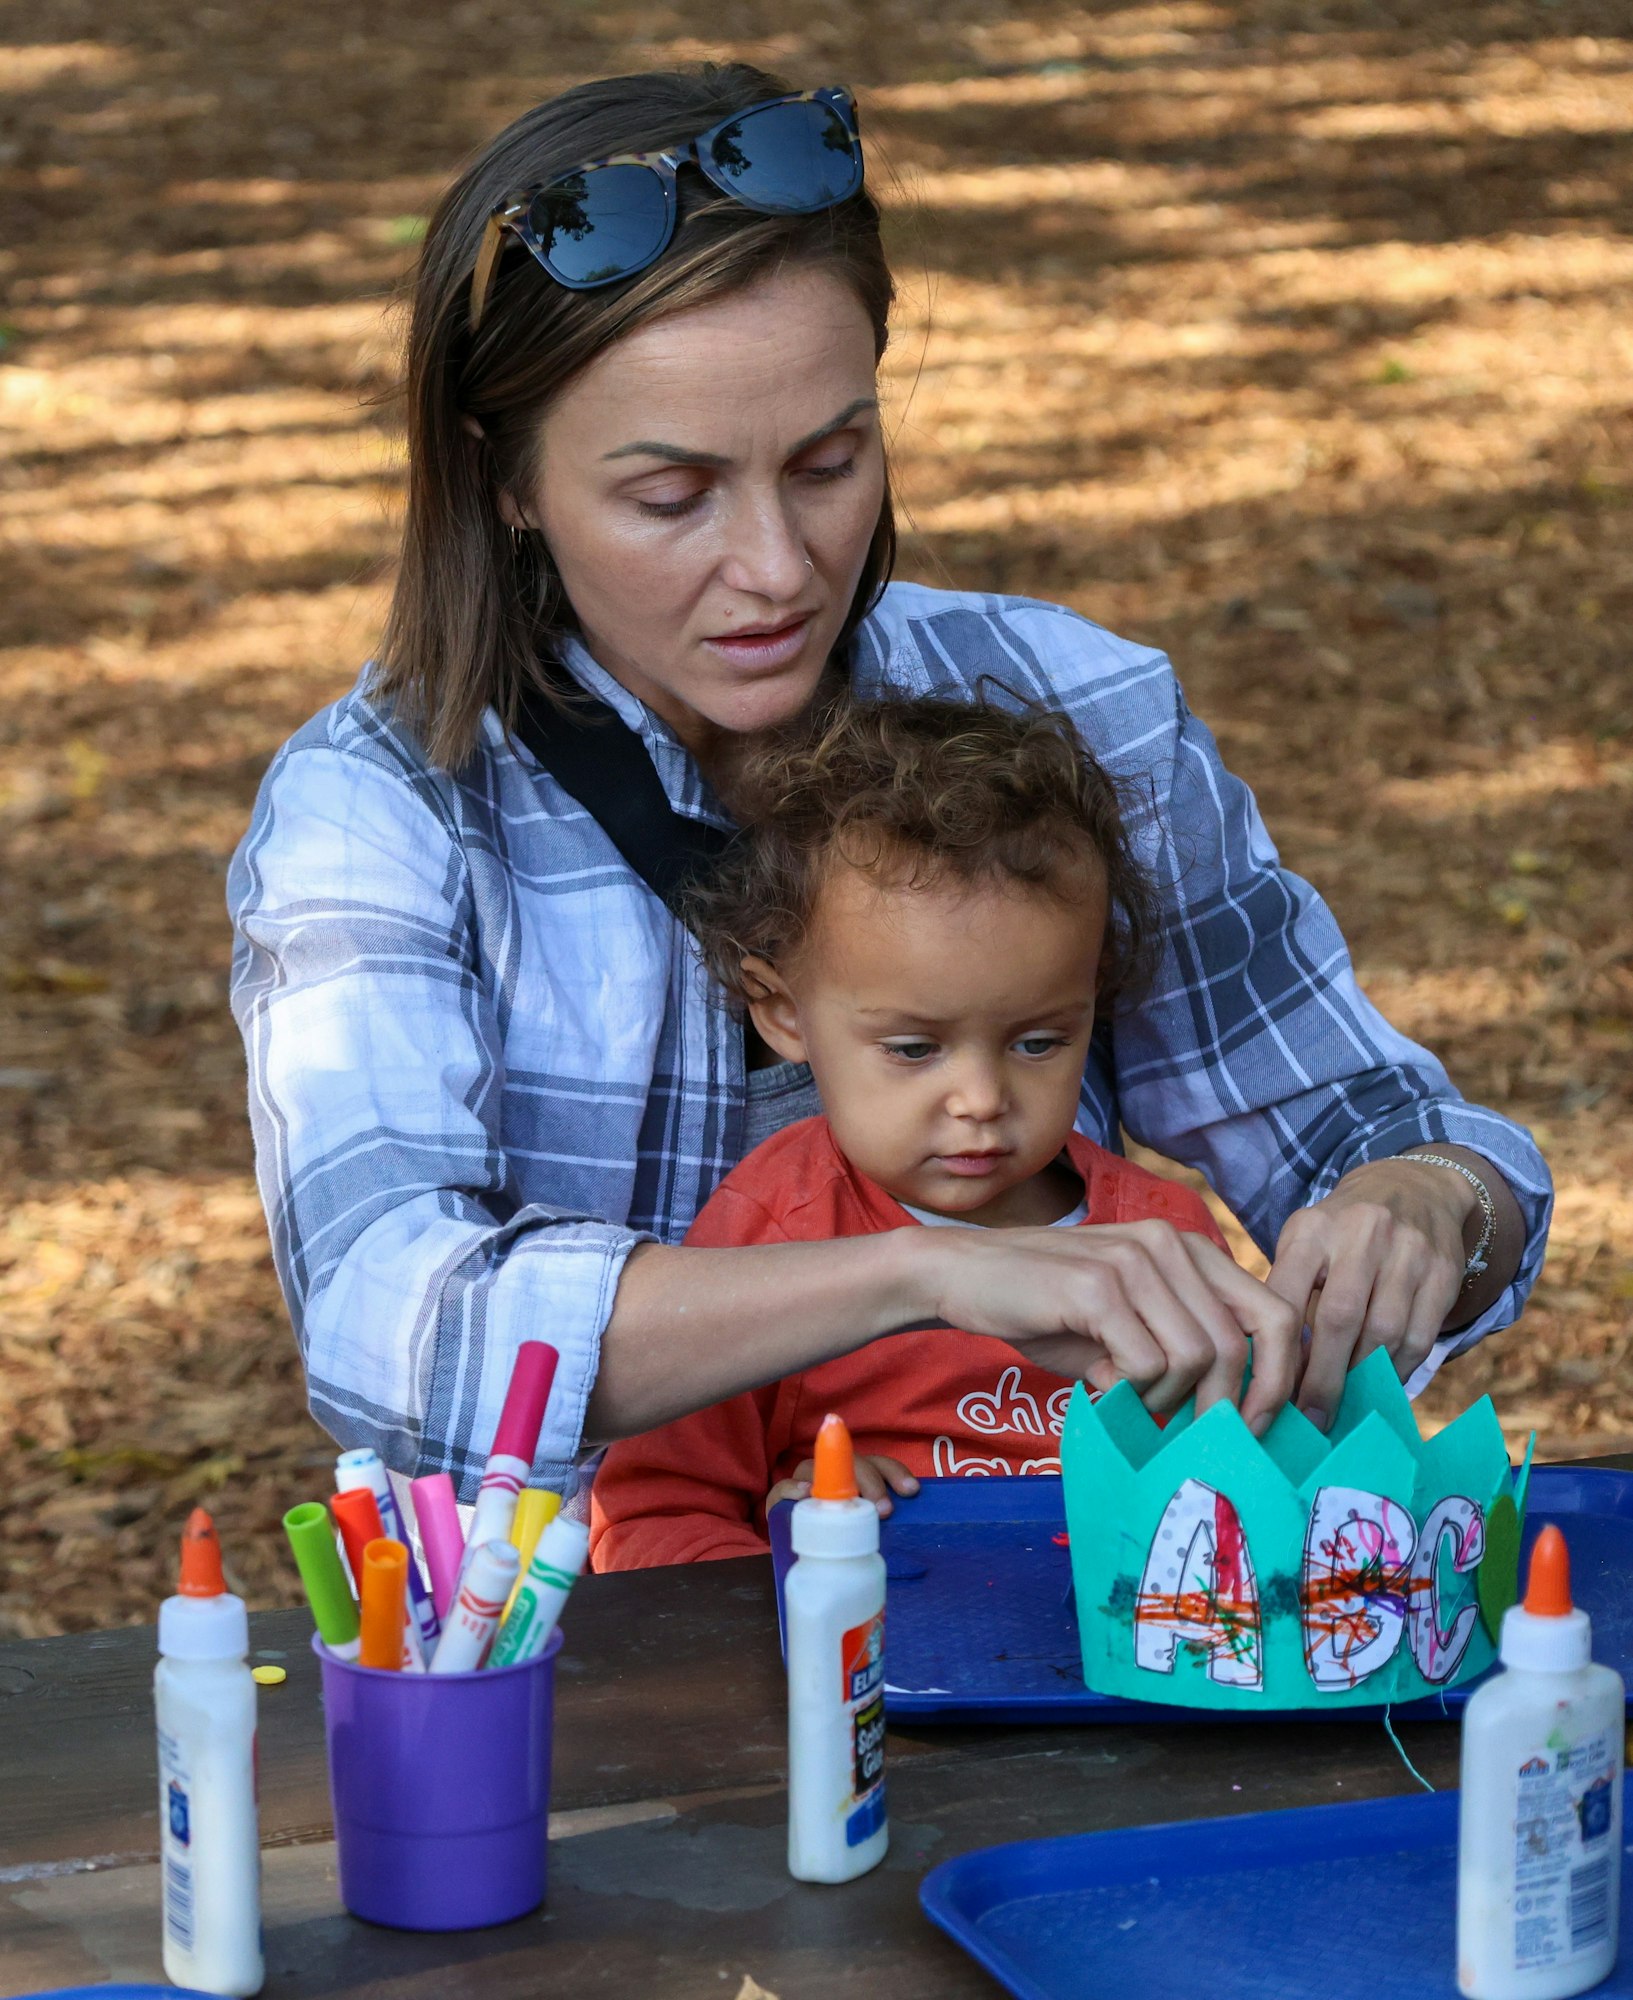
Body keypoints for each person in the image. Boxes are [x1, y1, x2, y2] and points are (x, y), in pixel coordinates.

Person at [227, 63, 1549, 1497]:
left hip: (1050, 1640)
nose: (777, 569)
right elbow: (385, 1321)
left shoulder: (1074, 709)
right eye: (670, 497)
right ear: (505, 483)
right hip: (584, 1651)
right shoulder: (387, 807)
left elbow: (1376, 1129)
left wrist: (1423, 1201)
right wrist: (929, 1276)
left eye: (829, 459)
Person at [590, 693, 1242, 1570]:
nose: (979, 1098)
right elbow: (656, 1511)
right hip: (851, 1677)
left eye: (1039, 1041)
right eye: (912, 1049)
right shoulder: (768, 1234)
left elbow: (1238, 1493)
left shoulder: (1157, 1237)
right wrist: (783, 1546)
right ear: (783, 1012)